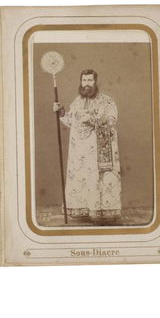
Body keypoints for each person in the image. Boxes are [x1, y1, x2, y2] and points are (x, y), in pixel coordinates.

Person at [53, 68, 122, 221]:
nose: (86, 84)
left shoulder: (106, 101)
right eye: (84, 80)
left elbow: (112, 119)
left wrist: (93, 120)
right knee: (82, 177)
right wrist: (61, 112)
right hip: (81, 153)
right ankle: (83, 210)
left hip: (98, 151)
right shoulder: (77, 102)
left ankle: (102, 213)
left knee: (99, 178)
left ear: (95, 82)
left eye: (90, 80)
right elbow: (71, 120)